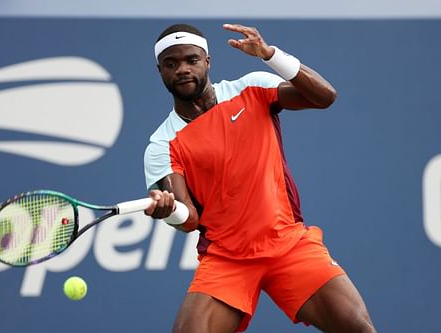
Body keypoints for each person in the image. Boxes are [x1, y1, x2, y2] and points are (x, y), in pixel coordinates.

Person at [143, 22, 377, 333]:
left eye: (191, 60)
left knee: (358, 329)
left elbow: (324, 96)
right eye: (171, 64)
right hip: (227, 259)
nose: (182, 70)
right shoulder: (161, 144)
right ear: (160, 71)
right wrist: (169, 211)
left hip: (288, 244)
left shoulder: (251, 87)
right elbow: (189, 219)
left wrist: (270, 55)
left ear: (207, 62)